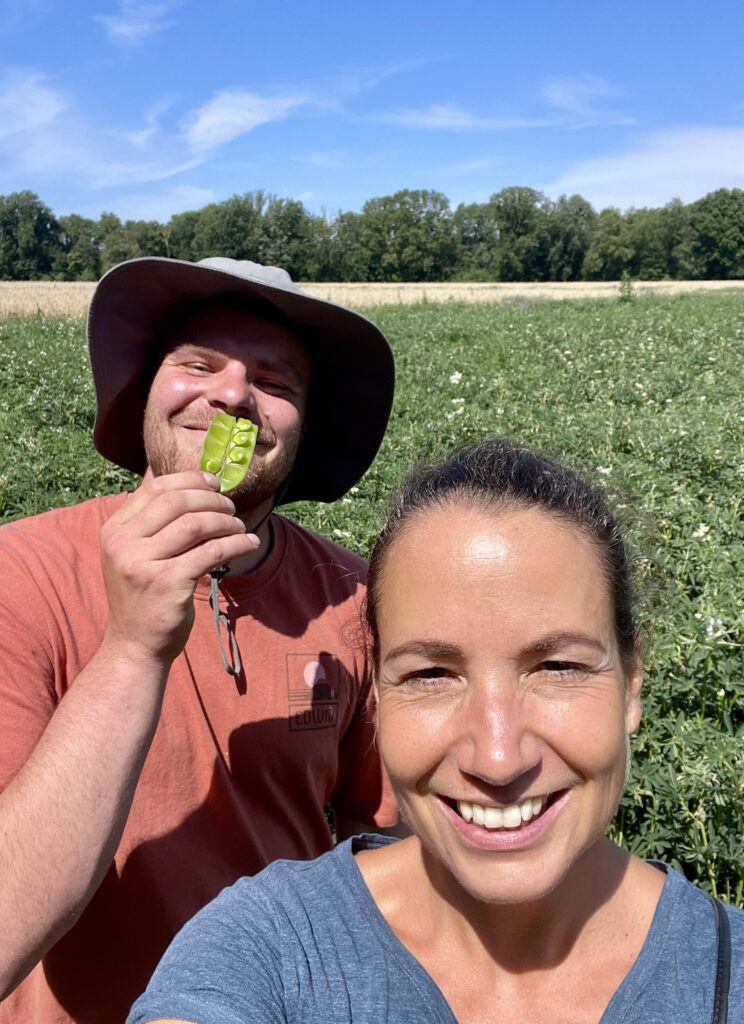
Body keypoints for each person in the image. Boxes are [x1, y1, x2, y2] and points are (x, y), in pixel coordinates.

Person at [128, 438, 744, 1024]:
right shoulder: (271, 951)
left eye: (559, 667)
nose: (496, 756)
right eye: (432, 674)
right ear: (375, 693)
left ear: (632, 683)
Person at [0, 257, 400, 1024]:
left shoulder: (356, 600)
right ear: (147, 388)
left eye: (276, 383)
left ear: (304, 428)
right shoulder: (20, 576)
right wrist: (131, 648)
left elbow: (384, 844)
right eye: (197, 365)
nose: (233, 394)